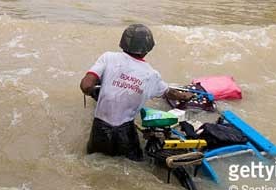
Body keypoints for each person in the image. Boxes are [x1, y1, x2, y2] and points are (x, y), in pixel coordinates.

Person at [79, 24, 193, 161]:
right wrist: (185, 96)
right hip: (124, 133)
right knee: (136, 163)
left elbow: (86, 86)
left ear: (123, 43)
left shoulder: (108, 58)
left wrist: (99, 90)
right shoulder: (151, 75)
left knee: (93, 160)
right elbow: (169, 93)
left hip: (100, 130)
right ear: (148, 49)